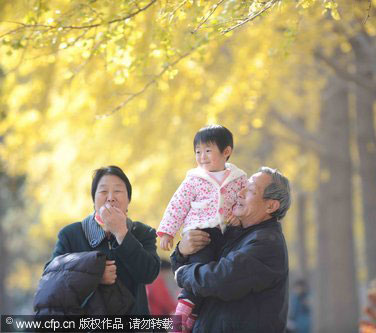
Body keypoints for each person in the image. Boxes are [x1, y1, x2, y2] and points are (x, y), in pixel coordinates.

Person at [171, 167, 291, 332]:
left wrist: (183, 273)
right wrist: (182, 252)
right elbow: (198, 270)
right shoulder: (233, 234)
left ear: (270, 206)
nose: (239, 193)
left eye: (250, 190)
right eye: (244, 186)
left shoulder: (267, 243)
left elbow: (221, 279)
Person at [34, 166, 160, 315]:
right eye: (103, 191)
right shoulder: (71, 234)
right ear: (94, 200)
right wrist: (94, 276)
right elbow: (51, 279)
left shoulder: (143, 233)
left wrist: (121, 232)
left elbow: (148, 274)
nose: (111, 197)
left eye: (118, 191)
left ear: (128, 199)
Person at [156, 125, 247, 329]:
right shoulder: (193, 180)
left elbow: (244, 202)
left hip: (226, 233)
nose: (202, 156)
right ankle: (180, 316)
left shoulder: (239, 179)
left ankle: (193, 316)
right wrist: (167, 231)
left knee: (215, 276)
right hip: (200, 233)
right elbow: (177, 205)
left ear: (226, 152)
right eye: (198, 152)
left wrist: (238, 218)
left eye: (208, 151)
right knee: (198, 271)